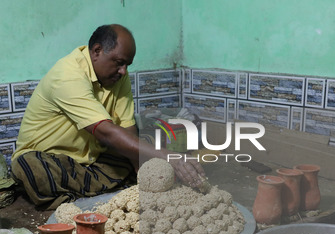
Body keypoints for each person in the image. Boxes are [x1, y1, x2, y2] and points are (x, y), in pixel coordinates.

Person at [11, 23, 204, 208]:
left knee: (144, 141)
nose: (123, 71)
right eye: (119, 63)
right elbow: (106, 133)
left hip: (92, 161)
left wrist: (142, 175)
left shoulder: (118, 76)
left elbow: (128, 129)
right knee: (32, 168)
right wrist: (170, 157)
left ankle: (87, 193)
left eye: (127, 65)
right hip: (53, 160)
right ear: (97, 51)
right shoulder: (68, 75)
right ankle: (93, 192)